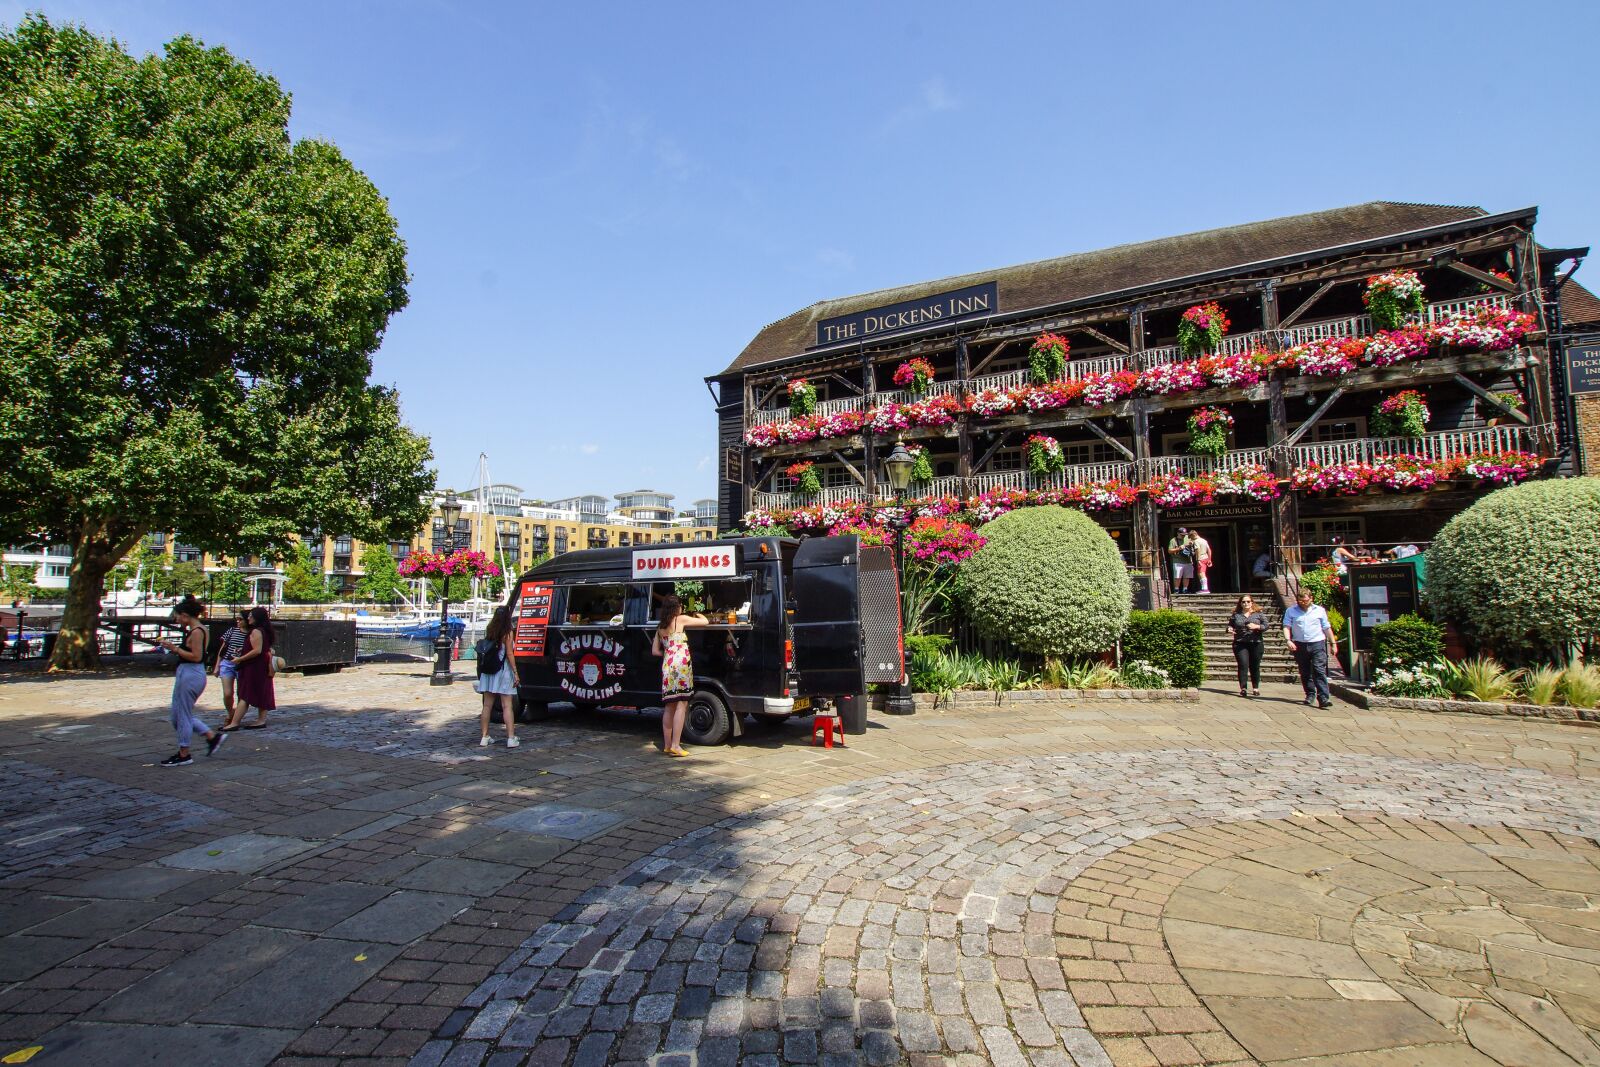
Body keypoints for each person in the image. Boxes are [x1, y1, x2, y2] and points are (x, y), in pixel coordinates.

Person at [155, 596, 224, 766]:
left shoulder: (197, 632)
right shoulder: (198, 630)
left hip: (191, 673)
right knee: (177, 716)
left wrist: (174, 649)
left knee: (183, 715)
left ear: (185, 615)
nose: (176, 620)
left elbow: (196, 656)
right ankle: (211, 737)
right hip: (187, 673)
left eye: (177, 616)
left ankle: (184, 753)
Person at [651, 594, 708, 757]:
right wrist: (697, 613)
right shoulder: (680, 619)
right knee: (682, 704)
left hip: (668, 666)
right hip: (681, 667)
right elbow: (705, 621)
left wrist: (669, 652)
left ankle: (667, 745)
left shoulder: (660, 627)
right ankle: (676, 745)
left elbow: (654, 651)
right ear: (676, 608)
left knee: (669, 706)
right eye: (681, 606)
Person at [1282, 588, 1338, 709]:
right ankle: (1310, 694)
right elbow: (1286, 626)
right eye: (1300, 601)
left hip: (1317, 643)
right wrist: (1288, 640)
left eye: (1305, 601)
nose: (1303, 603)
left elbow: (1326, 627)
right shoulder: (1291, 611)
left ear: (1311, 599)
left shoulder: (1319, 610)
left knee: (1319, 670)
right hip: (1300, 644)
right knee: (1305, 671)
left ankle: (1323, 697)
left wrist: (1333, 643)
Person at [474, 606, 519, 748]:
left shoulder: (490, 629)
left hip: (489, 671)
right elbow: (510, 654)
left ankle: (484, 736)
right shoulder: (507, 632)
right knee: (507, 706)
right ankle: (511, 738)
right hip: (503, 670)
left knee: (487, 705)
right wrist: (516, 672)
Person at [231, 606, 277, 729]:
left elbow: (257, 650)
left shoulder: (256, 631)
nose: (249, 617)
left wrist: (240, 659)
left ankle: (234, 722)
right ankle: (261, 720)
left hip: (254, 666)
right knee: (262, 691)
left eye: (251, 615)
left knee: (245, 694)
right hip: (261, 665)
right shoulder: (264, 630)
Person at [216, 609, 250, 730]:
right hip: (227, 663)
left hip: (242, 665)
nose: (238, 621)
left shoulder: (252, 633)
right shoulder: (232, 630)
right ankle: (230, 713)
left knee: (241, 693)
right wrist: (217, 665)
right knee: (227, 693)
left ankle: (236, 717)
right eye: (237, 619)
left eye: (240, 619)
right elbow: (223, 648)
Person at [1227, 594, 1267, 698]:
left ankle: (1255, 687)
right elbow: (1230, 625)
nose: (1246, 604)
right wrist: (1229, 629)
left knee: (1255, 666)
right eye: (1243, 602)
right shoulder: (1236, 614)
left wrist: (1257, 626)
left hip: (1256, 642)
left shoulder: (1258, 614)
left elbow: (1266, 626)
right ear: (1240, 604)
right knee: (1243, 664)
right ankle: (1243, 688)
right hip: (1240, 643)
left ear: (1252, 603)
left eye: (1248, 601)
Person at [1166, 528, 1192, 594]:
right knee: (1177, 576)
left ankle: (1185, 589)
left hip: (1188, 560)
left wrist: (1191, 543)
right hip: (1177, 560)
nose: (1183, 536)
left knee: (1187, 576)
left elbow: (1194, 541)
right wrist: (1179, 548)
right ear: (1178, 533)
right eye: (1182, 535)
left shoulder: (1188, 538)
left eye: (1185, 534)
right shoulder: (1173, 540)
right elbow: (1169, 551)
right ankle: (1176, 589)